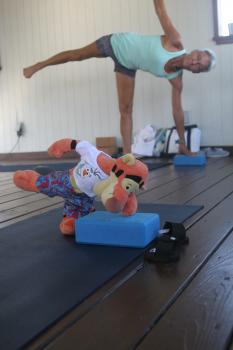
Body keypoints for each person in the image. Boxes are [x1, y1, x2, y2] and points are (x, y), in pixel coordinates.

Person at [23, 0, 216, 155]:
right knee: (77, 55)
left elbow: (177, 111)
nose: (195, 63)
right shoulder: (175, 41)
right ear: (195, 51)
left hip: (127, 66)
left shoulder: (176, 78)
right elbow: (160, 10)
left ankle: (127, 156)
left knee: (125, 109)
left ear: (196, 72)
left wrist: (182, 143)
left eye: (200, 66)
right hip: (117, 43)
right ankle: (39, 65)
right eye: (198, 57)